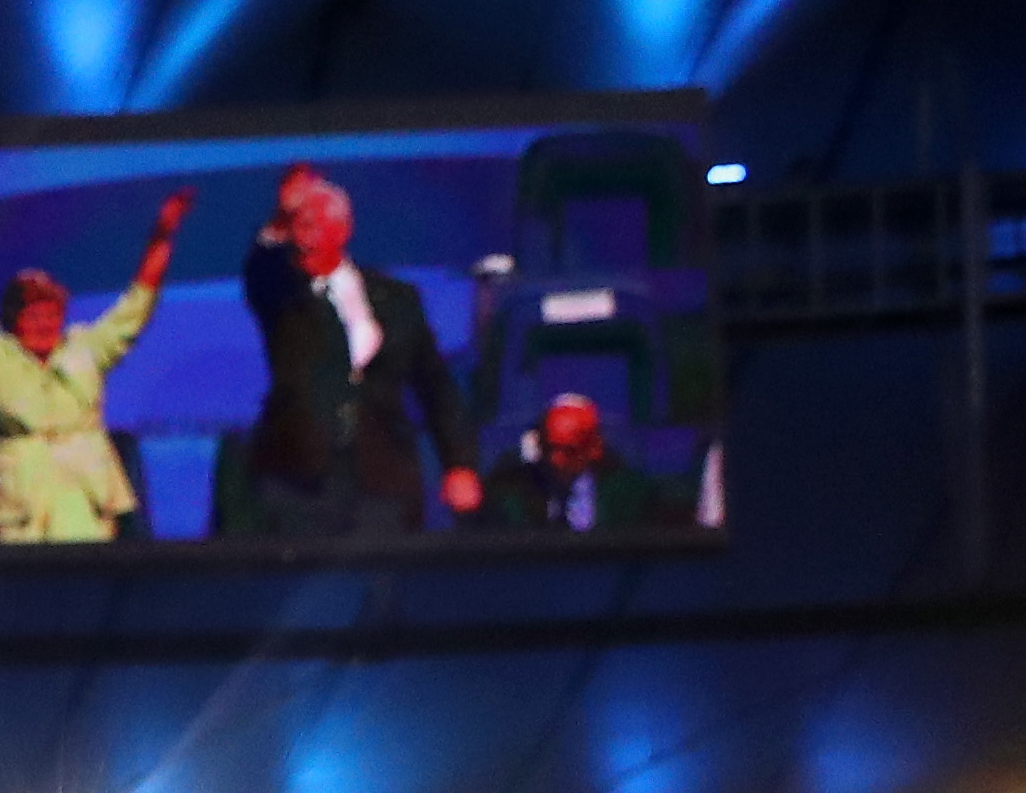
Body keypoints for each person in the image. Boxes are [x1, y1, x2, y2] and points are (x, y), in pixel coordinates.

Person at [0, 183, 190, 543]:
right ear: (13, 319)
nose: (44, 324)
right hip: (21, 505)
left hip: (83, 500)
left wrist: (162, 234)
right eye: (33, 315)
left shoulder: (86, 348)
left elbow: (135, 308)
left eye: (52, 314)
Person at [234, 165, 484, 536]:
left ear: (343, 229)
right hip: (299, 479)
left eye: (316, 219)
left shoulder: (396, 299)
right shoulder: (283, 295)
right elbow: (261, 267)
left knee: (386, 584)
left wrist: (458, 464)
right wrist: (280, 215)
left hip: (382, 475)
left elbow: (435, 386)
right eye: (298, 222)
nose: (305, 229)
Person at [481, 390, 693, 535]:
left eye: (569, 450)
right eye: (550, 448)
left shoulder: (632, 495)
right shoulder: (513, 491)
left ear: (594, 448)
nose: (556, 460)